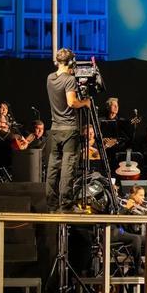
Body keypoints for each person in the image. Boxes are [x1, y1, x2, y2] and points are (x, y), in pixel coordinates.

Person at [43, 48, 92, 212]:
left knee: (53, 167)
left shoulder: (50, 78)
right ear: (71, 62)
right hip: (69, 129)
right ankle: (66, 204)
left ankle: (51, 203)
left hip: (55, 129)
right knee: (68, 167)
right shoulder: (69, 79)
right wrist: (85, 102)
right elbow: (71, 103)